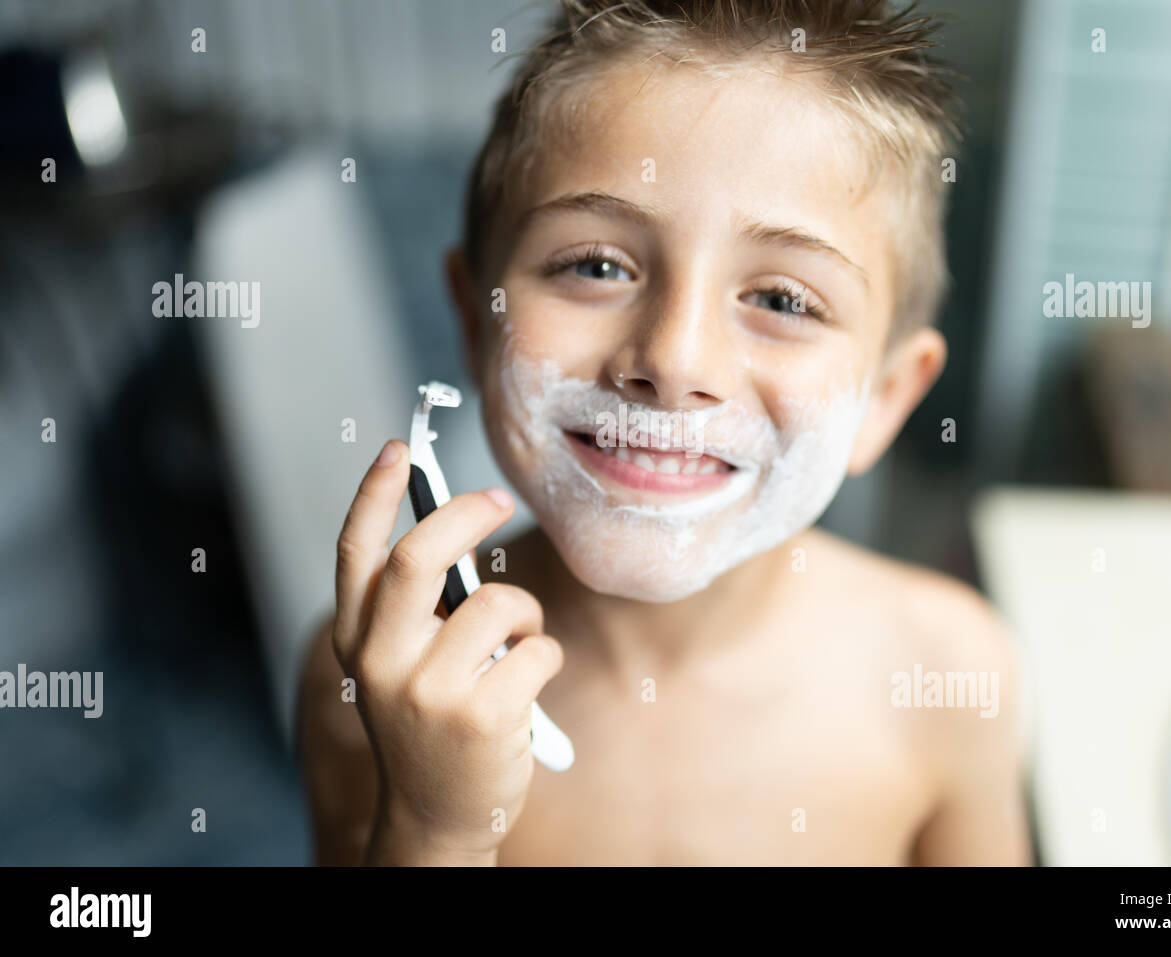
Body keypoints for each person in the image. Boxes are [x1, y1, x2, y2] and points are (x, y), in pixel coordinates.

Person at [297, 0, 1033, 866]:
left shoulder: (948, 673)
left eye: (783, 300)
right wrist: (434, 824)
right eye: (596, 265)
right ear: (474, 318)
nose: (675, 359)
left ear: (886, 398)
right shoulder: (383, 681)